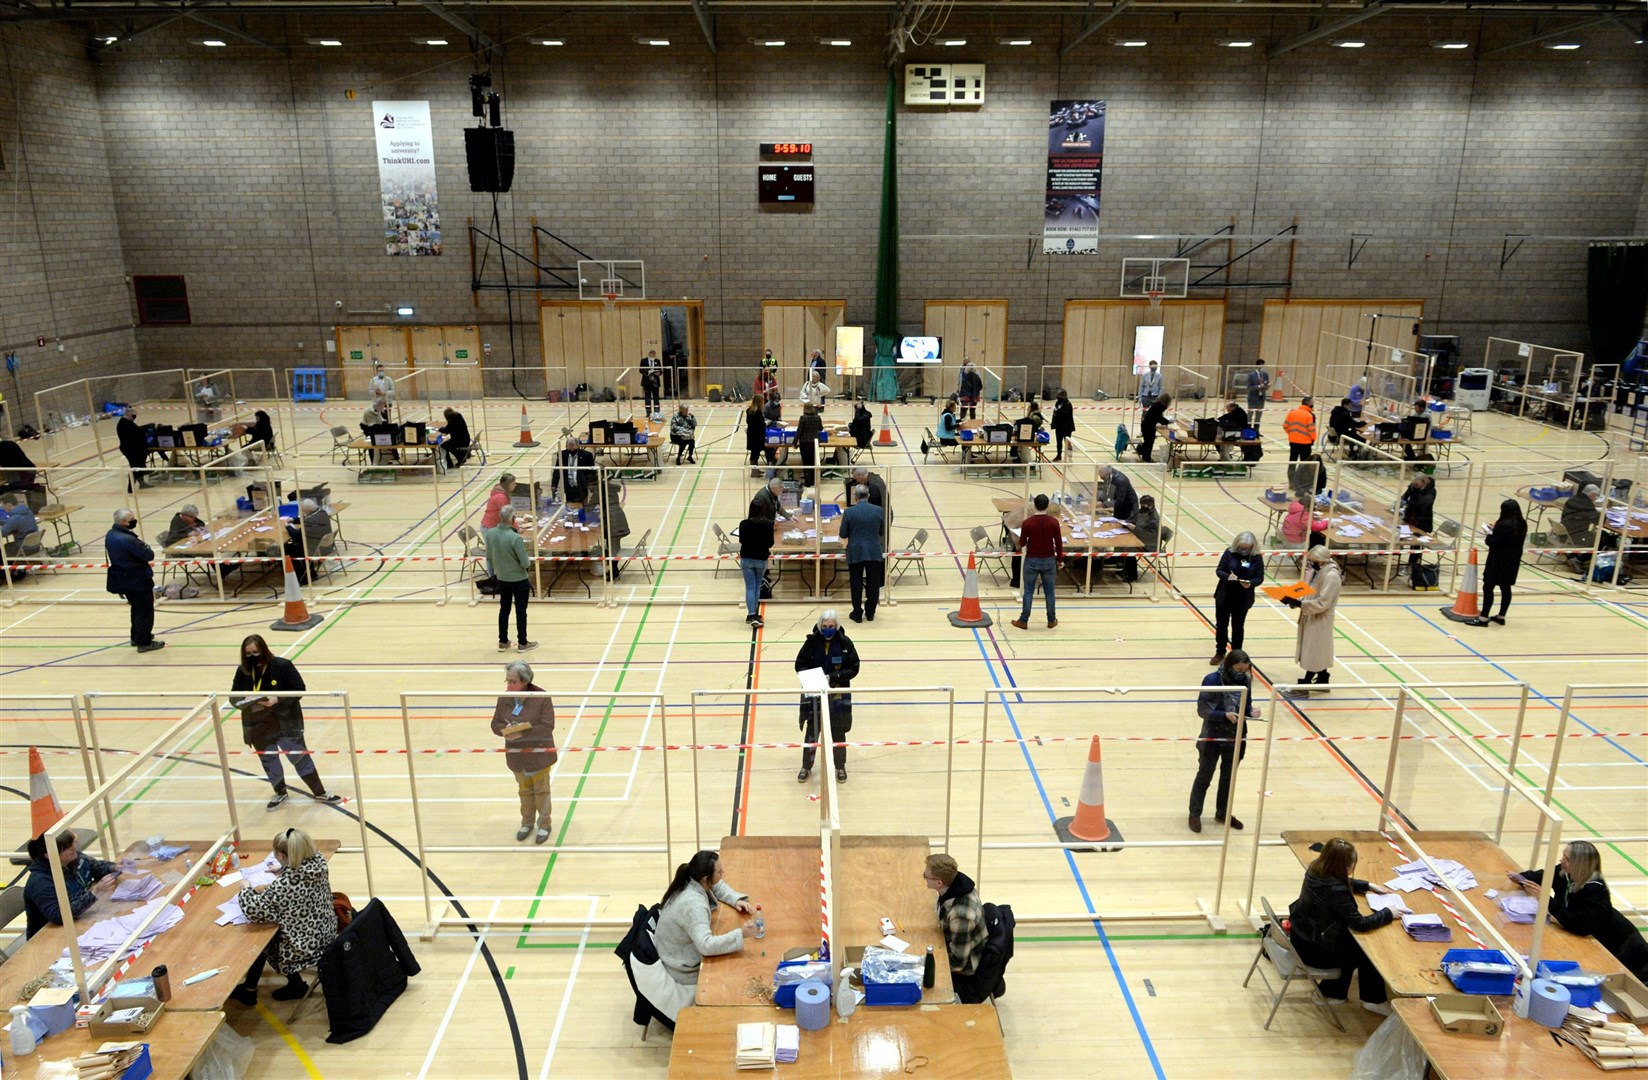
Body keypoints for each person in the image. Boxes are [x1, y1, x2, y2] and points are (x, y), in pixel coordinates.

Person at [230, 634, 342, 809]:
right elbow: (233, 698)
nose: (253, 657)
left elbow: (299, 690)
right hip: (258, 726)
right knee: (270, 762)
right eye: (248, 654)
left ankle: (320, 792)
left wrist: (278, 699)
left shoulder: (282, 665)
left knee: (300, 759)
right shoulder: (242, 671)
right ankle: (280, 792)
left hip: (285, 724)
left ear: (264, 650)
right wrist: (247, 700)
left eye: (256, 652)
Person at [1286, 837, 1396, 1016]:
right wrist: (1388, 913)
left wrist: (1367, 885)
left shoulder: (1315, 869)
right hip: (1314, 951)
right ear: (1344, 866)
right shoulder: (1336, 891)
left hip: (1301, 938)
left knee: (1351, 943)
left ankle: (1333, 992)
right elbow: (1361, 923)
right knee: (1368, 951)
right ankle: (1373, 1000)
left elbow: (1336, 881)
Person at [1513, 841, 1648, 985]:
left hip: (1623, 949)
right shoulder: (1565, 873)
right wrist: (1521, 878)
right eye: (1563, 856)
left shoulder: (1595, 890)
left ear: (1580, 865)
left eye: (1567, 859)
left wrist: (1546, 900)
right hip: (1596, 940)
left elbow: (1579, 925)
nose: (1561, 861)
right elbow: (1542, 876)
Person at [229, 828, 337, 1005]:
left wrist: (245, 888)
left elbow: (254, 910)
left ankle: (250, 990)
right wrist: (283, 868)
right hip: (324, 929)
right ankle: (259, 987)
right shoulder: (318, 862)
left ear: (281, 854)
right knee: (272, 929)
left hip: (305, 944)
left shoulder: (288, 885)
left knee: (262, 937)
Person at [653, 850, 756, 1007]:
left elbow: (716, 885)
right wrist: (741, 934)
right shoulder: (693, 906)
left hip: (676, 948)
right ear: (705, 878)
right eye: (720, 871)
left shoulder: (692, 878)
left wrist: (735, 900)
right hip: (681, 966)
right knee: (734, 975)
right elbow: (706, 946)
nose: (723, 873)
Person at [1188, 648, 1262, 832]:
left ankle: (1222, 813)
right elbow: (1202, 710)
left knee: (1228, 778)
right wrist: (1224, 715)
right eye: (1238, 669)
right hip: (1213, 735)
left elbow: (1247, 704)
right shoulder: (1212, 680)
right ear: (1229, 666)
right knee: (1204, 776)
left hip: (1236, 736)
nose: (1242, 673)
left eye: (1245, 670)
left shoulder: (1245, 680)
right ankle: (1194, 813)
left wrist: (1250, 712)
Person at [491, 660, 557, 844]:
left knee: (542, 791)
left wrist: (522, 732)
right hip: (516, 757)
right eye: (507, 681)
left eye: (513, 682)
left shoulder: (542, 697)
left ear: (525, 680)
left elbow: (547, 726)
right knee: (524, 791)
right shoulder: (504, 698)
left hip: (539, 756)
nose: (509, 685)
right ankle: (526, 823)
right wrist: (505, 730)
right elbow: (495, 724)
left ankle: (544, 825)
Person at [794, 609, 859, 782]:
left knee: (838, 733)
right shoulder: (812, 642)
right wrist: (812, 678)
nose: (828, 629)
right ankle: (806, 767)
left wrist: (834, 677)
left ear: (836, 626)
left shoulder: (845, 643)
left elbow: (854, 668)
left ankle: (840, 767)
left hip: (837, 697)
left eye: (831, 626)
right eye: (824, 626)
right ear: (820, 626)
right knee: (812, 733)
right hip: (814, 697)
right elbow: (799, 664)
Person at [23, 830, 118, 938]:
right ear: (49, 855)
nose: (74, 848)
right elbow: (59, 916)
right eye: (68, 847)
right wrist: (95, 892)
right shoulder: (40, 882)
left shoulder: (74, 857)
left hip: (80, 922)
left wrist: (114, 867)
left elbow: (96, 867)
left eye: (73, 843)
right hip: (50, 937)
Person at [1282, 545, 1342, 695]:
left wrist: (1300, 604)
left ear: (1321, 560)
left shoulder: (1331, 576)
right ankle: (1322, 679)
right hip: (1311, 614)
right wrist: (1293, 598)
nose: (1310, 563)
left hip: (1320, 618)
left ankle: (1305, 685)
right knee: (1318, 649)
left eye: (1313, 560)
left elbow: (1324, 602)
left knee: (1314, 650)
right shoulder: (1319, 571)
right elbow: (1309, 591)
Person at [923, 853, 987, 987]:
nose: (924, 877)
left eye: (926, 876)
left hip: (962, 972)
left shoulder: (960, 916)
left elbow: (957, 963)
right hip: (948, 941)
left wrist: (924, 966)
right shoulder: (955, 885)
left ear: (939, 883)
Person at [106, 509, 162, 652]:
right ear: (123, 522)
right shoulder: (128, 539)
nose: (133, 520)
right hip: (137, 578)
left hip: (124, 579)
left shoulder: (110, 534)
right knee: (145, 611)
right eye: (131, 518)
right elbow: (148, 555)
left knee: (136, 609)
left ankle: (136, 637)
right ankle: (144, 642)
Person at [485, 511, 536, 652]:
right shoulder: (515, 538)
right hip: (518, 579)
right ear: (513, 519)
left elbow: (488, 557)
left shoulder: (490, 534)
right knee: (521, 611)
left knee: (504, 609)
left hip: (502, 578)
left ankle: (503, 641)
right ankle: (523, 643)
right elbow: (525, 563)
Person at [1011, 493, 1063, 631]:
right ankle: (1051, 620)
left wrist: (1028, 539)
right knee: (1050, 592)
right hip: (1049, 560)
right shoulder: (1054, 523)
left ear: (1034, 505)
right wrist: (1060, 560)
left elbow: (1022, 543)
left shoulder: (1027, 523)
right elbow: (1058, 543)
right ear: (1047, 506)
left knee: (1028, 592)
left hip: (1032, 560)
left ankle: (1023, 620)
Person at [1212, 532, 1264, 664]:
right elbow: (1219, 570)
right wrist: (1227, 577)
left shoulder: (1256, 557)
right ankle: (1220, 651)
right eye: (1241, 547)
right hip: (1225, 594)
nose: (1243, 550)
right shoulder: (1229, 553)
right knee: (1221, 625)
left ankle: (1236, 654)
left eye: (1246, 548)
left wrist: (1251, 583)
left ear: (1252, 547)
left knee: (1238, 626)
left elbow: (1259, 578)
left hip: (1243, 597)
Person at [1473, 498, 1526, 626]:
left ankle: (1483, 618)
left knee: (1488, 587)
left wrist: (1489, 534)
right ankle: (1501, 616)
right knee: (1505, 588)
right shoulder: (1522, 523)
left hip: (1498, 561)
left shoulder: (1504, 525)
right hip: (1513, 561)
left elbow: (1493, 542)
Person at [839, 484, 885, 623]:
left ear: (855, 497)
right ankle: (870, 613)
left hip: (856, 552)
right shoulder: (878, 510)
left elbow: (843, 533)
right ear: (868, 496)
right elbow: (881, 532)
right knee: (873, 584)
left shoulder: (849, 512)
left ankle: (857, 613)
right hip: (874, 551)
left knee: (856, 583)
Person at [738, 500, 776, 628]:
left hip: (747, 559)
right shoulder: (768, 525)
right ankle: (753, 614)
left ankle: (751, 613)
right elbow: (770, 543)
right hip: (761, 559)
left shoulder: (743, 524)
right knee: (757, 586)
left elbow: (741, 540)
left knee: (750, 587)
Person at [1117, 493, 1165, 583]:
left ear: (1150, 505)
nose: (1141, 507)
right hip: (1140, 538)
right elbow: (1133, 519)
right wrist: (1125, 522)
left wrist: (1135, 528)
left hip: (1150, 544)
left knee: (1129, 548)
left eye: (1144, 505)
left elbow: (1149, 535)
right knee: (1123, 543)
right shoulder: (1143, 512)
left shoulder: (1153, 519)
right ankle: (1123, 567)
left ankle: (1131, 575)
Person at [283, 499, 330, 584]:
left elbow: (297, 535)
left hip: (315, 548)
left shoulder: (310, 521)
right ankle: (312, 573)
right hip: (324, 544)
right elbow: (306, 518)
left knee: (287, 549)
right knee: (301, 544)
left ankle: (301, 577)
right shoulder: (322, 513)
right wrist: (294, 520)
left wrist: (288, 527)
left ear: (307, 511)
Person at [1400, 473, 1436, 579]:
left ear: (1423, 482)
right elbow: (1404, 497)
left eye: (1416, 484)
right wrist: (1402, 502)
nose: (1414, 485)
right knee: (1402, 536)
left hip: (1422, 521)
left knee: (1416, 544)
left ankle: (1411, 566)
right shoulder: (1413, 486)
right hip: (1409, 517)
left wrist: (1408, 503)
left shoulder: (1431, 491)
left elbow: (1423, 504)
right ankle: (1410, 563)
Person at [600, 479, 630, 580]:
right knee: (615, 547)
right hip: (619, 520)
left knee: (613, 549)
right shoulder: (612, 489)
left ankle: (614, 572)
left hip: (614, 524)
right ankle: (614, 569)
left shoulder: (601, 492)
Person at [115, 407, 151, 490]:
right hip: (130, 449)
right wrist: (145, 429)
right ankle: (130, 487)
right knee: (135, 467)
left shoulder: (127, 422)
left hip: (132, 448)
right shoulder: (125, 424)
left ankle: (141, 483)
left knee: (137, 466)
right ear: (129, 414)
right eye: (133, 415)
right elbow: (136, 433)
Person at [555, 437, 596, 505]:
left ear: (578, 446)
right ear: (566, 446)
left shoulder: (587, 455)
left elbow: (592, 471)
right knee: (569, 506)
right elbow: (557, 470)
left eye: (573, 446)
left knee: (583, 506)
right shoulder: (561, 455)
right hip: (568, 486)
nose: (571, 449)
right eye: (569, 446)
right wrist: (554, 485)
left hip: (581, 485)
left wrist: (591, 484)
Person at [1283, 396, 1317, 475]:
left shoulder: (1292, 413)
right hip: (1305, 443)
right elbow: (1312, 430)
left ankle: (1291, 480)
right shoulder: (1309, 415)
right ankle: (1302, 481)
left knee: (1292, 461)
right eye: (1312, 402)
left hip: (1293, 442)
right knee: (1304, 463)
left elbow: (1285, 426)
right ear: (1308, 403)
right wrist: (1313, 439)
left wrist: (1291, 434)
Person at [1, 493, 39, 560]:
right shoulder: (28, 511)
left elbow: (2, 533)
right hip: (36, 545)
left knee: (3, 550)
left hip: (24, 549)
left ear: (8, 505)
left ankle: (9, 570)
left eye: (3, 506)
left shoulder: (14, 518)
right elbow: (14, 523)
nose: (3, 508)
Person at [795, 402, 823, 489]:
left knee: (806, 462)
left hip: (804, 442)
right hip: (814, 442)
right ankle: (813, 481)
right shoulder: (817, 417)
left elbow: (799, 431)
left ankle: (807, 482)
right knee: (813, 462)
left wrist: (794, 442)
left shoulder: (803, 418)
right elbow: (821, 428)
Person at [1137, 393, 1172, 464]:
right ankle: (1146, 458)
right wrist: (1168, 422)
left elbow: (1157, 417)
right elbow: (1159, 417)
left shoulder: (1156, 404)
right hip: (1148, 426)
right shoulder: (1160, 406)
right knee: (1149, 442)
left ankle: (1141, 450)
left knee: (1147, 441)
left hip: (1146, 424)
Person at [744, 394, 771, 473]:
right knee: (755, 454)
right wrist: (766, 423)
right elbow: (760, 424)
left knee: (754, 453)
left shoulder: (749, 410)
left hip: (751, 435)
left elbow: (748, 422)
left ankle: (755, 470)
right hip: (757, 436)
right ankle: (754, 472)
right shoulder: (758, 412)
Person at [1246, 360, 1271, 430]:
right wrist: (1259, 386)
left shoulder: (1265, 374)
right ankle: (1248, 430)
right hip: (1252, 398)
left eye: (1263, 365)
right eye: (1262, 365)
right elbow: (1249, 387)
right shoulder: (1251, 375)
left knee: (1258, 416)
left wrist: (1267, 386)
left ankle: (1256, 431)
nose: (1263, 367)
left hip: (1261, 398)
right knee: (1250, 415)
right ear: (1258, 365)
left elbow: (1266, 384)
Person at [1051, 388, 1075, 461]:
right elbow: (1055, 413)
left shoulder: (1068, 404)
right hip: (1059, 427)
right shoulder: (1057, 403)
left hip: (1066, 427)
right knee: (1059, 442)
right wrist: (1053, 423)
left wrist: (1058, 411)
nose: (1058, 397)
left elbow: (1065, 414)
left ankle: (1069, 455)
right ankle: (1059, 455)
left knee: (1067, 442)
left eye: (1059, 396)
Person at [640, 350, 663, 417]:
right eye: (651, 355)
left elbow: (660, 371)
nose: (653, 357)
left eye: (654, 355)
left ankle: (657, 412)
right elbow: (641, 370)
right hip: (647, 382)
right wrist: (647, 373)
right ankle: (648, 412)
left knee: (656, 397)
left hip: (655, 381)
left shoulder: (657, 361)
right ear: (649, 354)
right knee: (647, 397)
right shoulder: (643, 361)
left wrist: (658, 373)